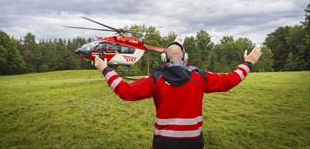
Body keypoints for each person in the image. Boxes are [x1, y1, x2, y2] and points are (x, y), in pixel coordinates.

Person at [94, 42, 262, 149]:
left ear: (164, 58)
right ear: (185, 56)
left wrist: (105, 69)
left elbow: (126, 91)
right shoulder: (200, 76)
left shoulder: (156, 79)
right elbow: (229, 80)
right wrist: (248, 63)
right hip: (194, 143)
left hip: (163, 143)